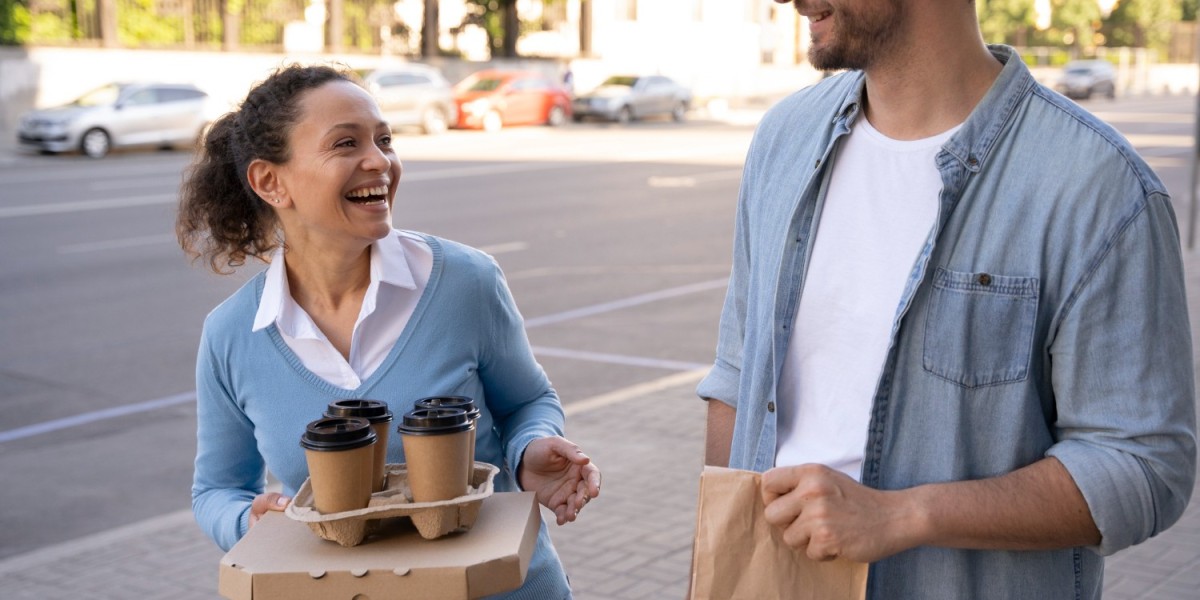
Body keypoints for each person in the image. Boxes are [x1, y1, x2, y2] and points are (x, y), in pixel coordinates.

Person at [697, 1, 1197, 598]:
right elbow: (736, 379)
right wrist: (717, 569)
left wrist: (902, 516)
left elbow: (1142, 465)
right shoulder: (784, 138)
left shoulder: (1097, 187)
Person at [178, 64, 600, 599]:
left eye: (384, 140)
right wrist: (248, 522)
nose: (379, 161)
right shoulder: (232, 334)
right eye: (346, 143)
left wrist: (530, 450)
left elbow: (528, 401)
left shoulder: (466, 282)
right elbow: (217, 489)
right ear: (270, 181)